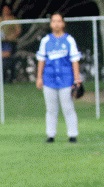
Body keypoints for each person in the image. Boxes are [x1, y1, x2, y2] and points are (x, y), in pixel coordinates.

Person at [36, 12, 82, 143]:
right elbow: (41, 60)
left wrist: (77, 79)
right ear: (51, 24)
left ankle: (72, 135)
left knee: (68, 107)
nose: (56, 24)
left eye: (59, 21)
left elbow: (75, 60)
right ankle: (51, 135)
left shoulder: (69, 40)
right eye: (54, 21)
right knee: (51, 109)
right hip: (49, 79)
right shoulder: (46, 40)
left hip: (66, 79)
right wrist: (39, 77)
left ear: (63, 23)